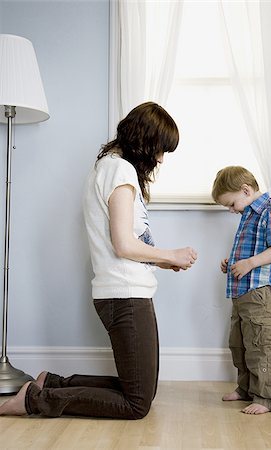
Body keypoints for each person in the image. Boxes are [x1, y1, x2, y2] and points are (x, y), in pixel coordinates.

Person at [0, 102, 197, 418]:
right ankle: (34, 400)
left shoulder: (108, 166)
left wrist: (160, 261)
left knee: (143, 391)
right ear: (143, 141)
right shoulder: (120, 171)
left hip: (126, 291)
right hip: (125, 295)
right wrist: (169, 254)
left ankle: (49, 382)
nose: (160, 158)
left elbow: (122, 242)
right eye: (159, 149)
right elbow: (122, 244)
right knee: (137, 404)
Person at [211, 166, 271, 415]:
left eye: (231, 203)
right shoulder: (249, 214)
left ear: (246, 190)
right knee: (240, 342)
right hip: (243, 290)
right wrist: (233, 262)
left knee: (260, 343)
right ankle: (246, 388)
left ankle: (267, 397)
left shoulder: (269, 211)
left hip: (261, 292)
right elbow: (250, 249)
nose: (231, 209)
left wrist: (249, 263)